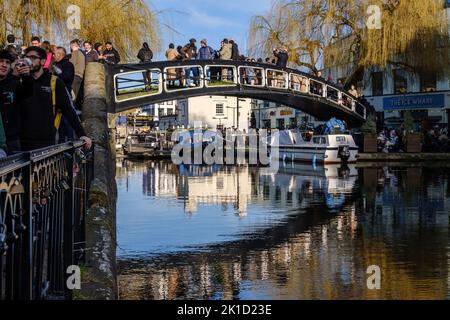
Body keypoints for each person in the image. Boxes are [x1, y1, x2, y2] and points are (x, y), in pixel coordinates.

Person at [19, 46, 92, 151]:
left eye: (33, 58)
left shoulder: (53, 82)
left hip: (47, 141)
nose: (29, 61)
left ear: (43, 61)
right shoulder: (21, 81)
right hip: (23, 142)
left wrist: (82, 134)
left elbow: (68, 109)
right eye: (27, 57)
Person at [0, 49, 33, 153]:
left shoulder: (15, 84)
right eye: (1, 61)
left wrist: (27, 78)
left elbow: (27, 94)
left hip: (12, 139)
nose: (4, 65)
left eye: (7, 62)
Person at [69, 39, 86, 107]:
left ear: (72, 45)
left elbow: (71, 65)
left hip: (74, 75)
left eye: (71, 45)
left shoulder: (75, 53)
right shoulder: (82, 54)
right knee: (77, 95)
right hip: (80, 76)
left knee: (72, 95)